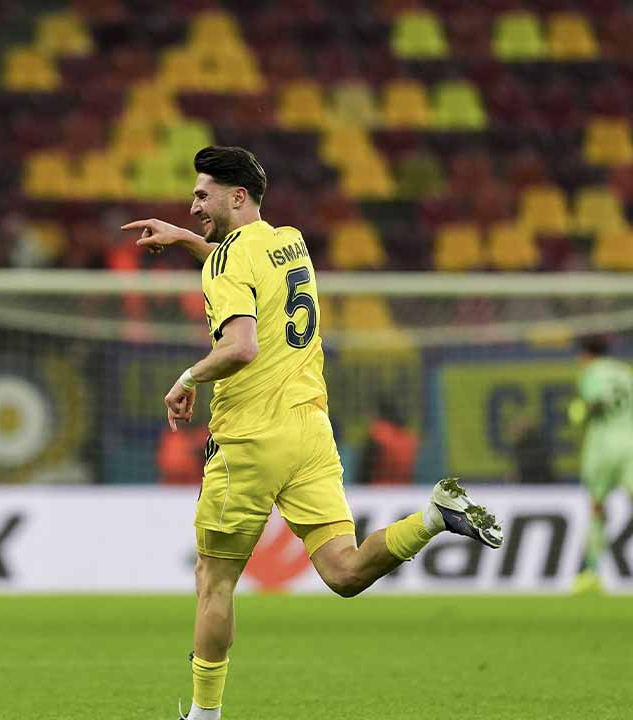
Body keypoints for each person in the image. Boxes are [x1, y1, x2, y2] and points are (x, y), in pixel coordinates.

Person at [122, 146, 503, 720]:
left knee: (214, 582)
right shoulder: (290, 242)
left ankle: (204, 716)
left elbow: (241, 346)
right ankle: (432, 517)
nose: (193, 206)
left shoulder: (228, 263)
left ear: (237, 196)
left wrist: (187, 377)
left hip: (250, 438)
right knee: (344, 572)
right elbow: (238, 263)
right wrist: (184, 239)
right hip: (311, 433)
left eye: (202, 196)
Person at [569, 335, 633, 594]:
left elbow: (597, 401)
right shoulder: (626, 372)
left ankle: (590, 572)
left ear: (586, 354)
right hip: (631, 444)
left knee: (597, 508)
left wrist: (581, 411)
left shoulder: (591, 372)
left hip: (603, 447)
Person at [354, 399, 418, 486]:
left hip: (377, 489)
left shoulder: (378, 435)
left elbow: (364, 470)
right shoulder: (409, 439)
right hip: (403, 489)